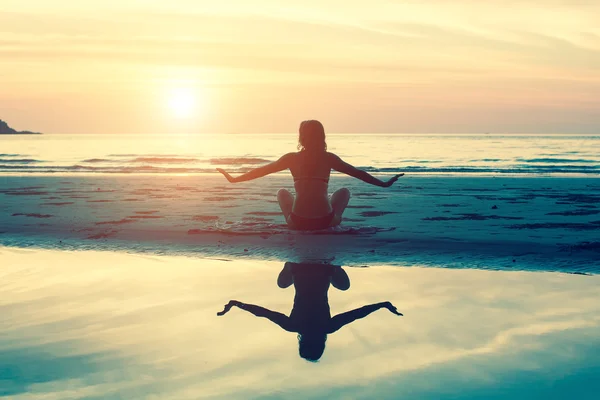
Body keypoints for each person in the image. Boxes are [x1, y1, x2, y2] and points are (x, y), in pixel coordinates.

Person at [217, 120, 403, 230]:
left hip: (298, 222)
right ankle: (333, 222)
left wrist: (235, 179)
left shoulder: (291, 158)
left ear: (301, 138)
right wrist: (384, 184)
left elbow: (261, 171)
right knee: (344, 192)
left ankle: (296, 223)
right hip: (326, 221)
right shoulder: (329, 158)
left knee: (282, 193)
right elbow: (358, 173)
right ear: (322, 137)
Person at [217, 262, 402, 362]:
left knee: (344, 287)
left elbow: (356, 314)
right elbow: (264, 313)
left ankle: (330, 265)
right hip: (301, 272)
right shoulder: (294, 326)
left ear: (321, 344)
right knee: (282, 285)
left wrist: (382, 305)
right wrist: (237, 304)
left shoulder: (327, 328)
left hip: (323, 272)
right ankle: (292, 264)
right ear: (303, 343)